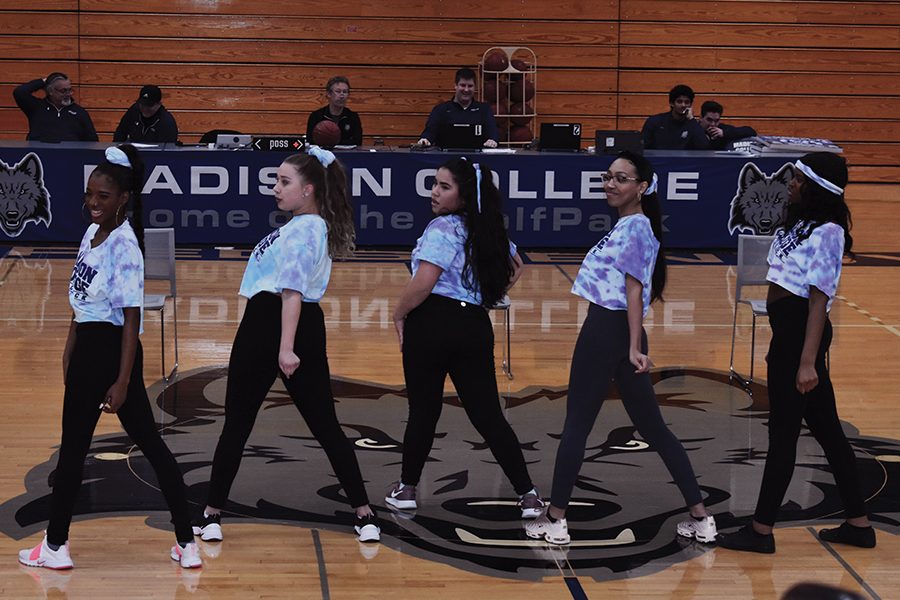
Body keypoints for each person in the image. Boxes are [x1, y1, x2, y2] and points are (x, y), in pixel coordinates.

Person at [18, 145, 201, 570]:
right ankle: (185, 543)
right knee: (92, 450)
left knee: (122, 449)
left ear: (123, 199)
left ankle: (57, 546)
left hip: (113, 353)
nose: (93, 203)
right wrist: (68, 350)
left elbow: (131, 319)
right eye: (89, 194)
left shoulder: (125, 246)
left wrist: (122, 382)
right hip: (87, 350)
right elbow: (81, 300)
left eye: (103, 196)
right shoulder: (90, 234)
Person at [525, 151, 716, 545]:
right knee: (654, 429)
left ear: (641, 187)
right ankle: (701, 517)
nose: (611, 184)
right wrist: (633, 345)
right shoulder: (633, 226)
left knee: (577, 424)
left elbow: (634, 290)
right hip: (619, 334)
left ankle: (556, 519)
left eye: (622, 178)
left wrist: (632, 346)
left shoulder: (635, 229)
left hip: (607, 332)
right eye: (608, 176)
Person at [192, 147, 381, 544]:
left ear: (308, 189)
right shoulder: (299, 225)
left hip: (284, 329)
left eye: (284, 182)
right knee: (241, 424)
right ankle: (211, 512)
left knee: (319, 424)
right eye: (276, 180)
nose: (275, 189)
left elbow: (292, 291)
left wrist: (286, 348)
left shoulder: (307, 229)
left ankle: (364, 512)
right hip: (264, 326)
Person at [718, 152, 876, 554]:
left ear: (816, 186)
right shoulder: (802, 222)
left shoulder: (828, 232)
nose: (790, 183)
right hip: (786, 336)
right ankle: (859, 524)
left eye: (798, 179)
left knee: (783, 437)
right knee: (829, 434)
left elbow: (819, 302)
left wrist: (807, 363)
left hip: (798, 343)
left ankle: (761, 530)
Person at [386, 157, 543, 517]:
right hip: (474, 324)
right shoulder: (489, 230)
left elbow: (424, 282)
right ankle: (528, 494)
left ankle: (407, 488)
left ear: (464, 195)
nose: (434, 192)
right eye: (435, 184)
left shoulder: (441, 228)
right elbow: (517, 265)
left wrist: (398, 314)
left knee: (423, 411)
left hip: (431, 322)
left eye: (444, 186)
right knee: (488, 415)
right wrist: (488, 295)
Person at [417, 68, 499, 149]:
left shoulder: (484, 110)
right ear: (455, 85)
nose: (466, 90)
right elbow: (429, 133)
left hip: (477, 159)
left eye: (470, 86)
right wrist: (425, 140)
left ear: (475, 88)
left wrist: (492, 141)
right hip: (445, 159)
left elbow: (493, 134)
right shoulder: (441, 110)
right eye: (463, 85)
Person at [13, 72, 98, 142]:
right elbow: (20, 92)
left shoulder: (80, 112)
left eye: (70, 90)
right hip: (39, 157)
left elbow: (93, 141)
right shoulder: (37, 107)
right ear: (50, 91)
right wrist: (44, 81)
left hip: (70, 158)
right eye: (63, 91)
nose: (68, 94)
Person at [641, 84, 708, 150]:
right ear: (672, 103)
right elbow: (642, 147)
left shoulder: (692, 125)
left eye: (687, 102)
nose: (683, 105)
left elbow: (704, 147)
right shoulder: (655, 122)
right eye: (679, 101)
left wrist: (691, 119)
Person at [306, 76, 363, 146]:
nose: (342, 95)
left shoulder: (353, 117)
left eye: (345, 92)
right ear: (329, 94)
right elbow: (310, 141)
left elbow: (357, 141)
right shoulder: (316, 116)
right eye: (338, 91)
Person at [113, 85, 179, 144]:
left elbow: (168, 150)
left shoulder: (167, 122)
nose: (145, 108)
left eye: (149, 105)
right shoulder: (134, 111)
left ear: (159, 104)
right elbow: (120, 133)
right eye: (142, 104)